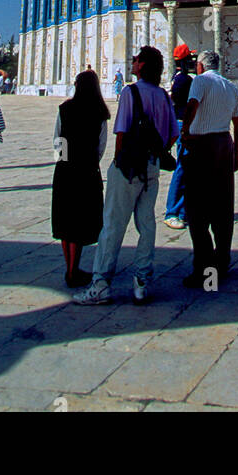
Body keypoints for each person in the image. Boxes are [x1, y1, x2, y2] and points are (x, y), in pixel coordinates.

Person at [71, 46, 178, 306]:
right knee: (147, 225)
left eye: (136, 59)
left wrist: (119, 163)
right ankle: (141, 282)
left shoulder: (130, 92)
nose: (131, 61)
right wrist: (158, 149)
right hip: (152, 167)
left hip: (128, 168)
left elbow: (121, 133)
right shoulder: (163, 95)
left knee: (113, 225)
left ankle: (100, 284)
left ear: (142, 65)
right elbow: (174, 133)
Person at [181, 49, 238, 289]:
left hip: (202, 147)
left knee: (197, 210)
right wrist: (236, 152)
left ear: (201, 66)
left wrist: (184, 131)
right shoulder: (230, 86)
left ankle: (204, 269)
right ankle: (222, 261)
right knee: (223, 207)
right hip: (224, 146)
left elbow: (192, 106)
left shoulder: (200, 81)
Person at [52, 70, 110, 287]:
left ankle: (70, 268)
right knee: (78, 221)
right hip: (87, 171)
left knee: (66, 220)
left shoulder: (64, 109)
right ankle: (73, 270)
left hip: (65, 171)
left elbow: (57, 139)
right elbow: (101, 145)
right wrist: (89, 162)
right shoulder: (100, 112)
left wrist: (64, 162)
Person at [163, 44, 196, 231]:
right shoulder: (184, 80)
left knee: (186, 168)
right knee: (182, 168)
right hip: (184, 124)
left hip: (180, 123)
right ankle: (172, 212)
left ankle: (183, 212)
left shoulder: (176, 78)